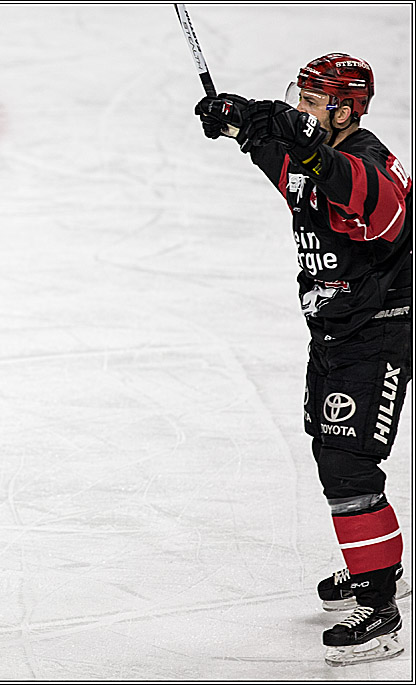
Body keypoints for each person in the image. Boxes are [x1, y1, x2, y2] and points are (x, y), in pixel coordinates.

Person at [194, 53, 412, 666]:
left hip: (379, 333)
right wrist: (239, 118)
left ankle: (380, 607)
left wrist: (305, 142)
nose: (303, 107)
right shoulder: (310, 156)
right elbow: (277, 147)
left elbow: (380, 209)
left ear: (344, 110)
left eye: (314, 101)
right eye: (302, 96)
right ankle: (379, 569)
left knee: (349, 465)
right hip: (336, 335)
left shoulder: (368, 164)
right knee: (332, 454)